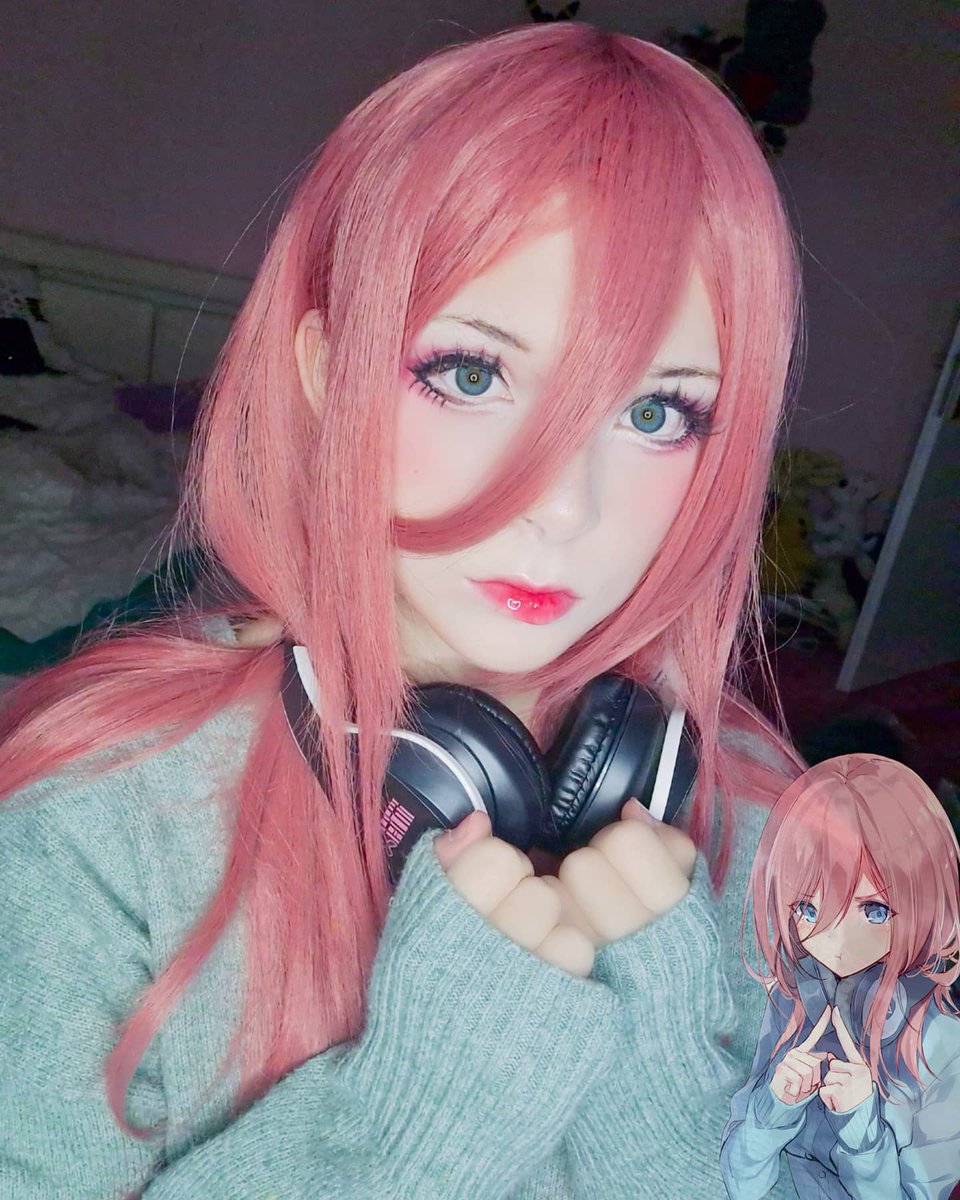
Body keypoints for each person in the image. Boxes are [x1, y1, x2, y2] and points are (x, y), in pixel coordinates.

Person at [0, 21, 808, 1200]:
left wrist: (666, 1085)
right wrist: (409, 1126)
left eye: (656, 414)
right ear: (324, 372)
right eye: (470, 375)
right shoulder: (97, 823)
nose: (561, 507)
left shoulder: (767, 823)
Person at [720, 755, 960, 1199]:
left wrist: (862, 1132)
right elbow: (741, 1183)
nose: (834, 942)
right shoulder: (792, 998)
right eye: (808, 909)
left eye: (874, 911)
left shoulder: (944, 1046)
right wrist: (773, 1109)